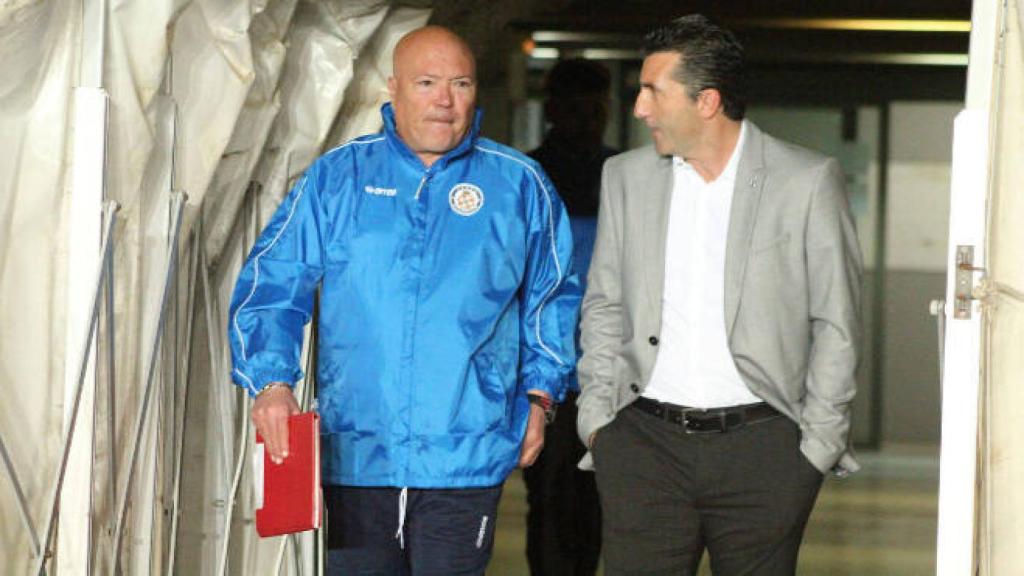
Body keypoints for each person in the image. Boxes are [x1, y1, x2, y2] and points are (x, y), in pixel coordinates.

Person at [228, 26, 580, 575]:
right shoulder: (338, 177)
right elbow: (272, 281)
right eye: (427, 82)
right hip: (354, 454)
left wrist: (540, 397)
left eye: (460, 83)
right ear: (392, 89)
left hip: (465, 453)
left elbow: (551, 298)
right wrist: (271, 382)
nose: (444, 99)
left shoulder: (519, 185)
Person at [576, 14, 862, 575]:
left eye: (653, 92)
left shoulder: (806, 181)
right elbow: (604, 303)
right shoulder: (625, 177)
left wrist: (815, 447)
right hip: (640, 446)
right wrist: (598, 422)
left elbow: (837, 322)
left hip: (766, 452)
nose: (639, 108)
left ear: (706, 101)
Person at [524, 58, 616, 576]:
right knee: (552, 497)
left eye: (596, 107)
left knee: (602, 497)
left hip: (615, 370)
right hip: (550, 371)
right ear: (554, 109)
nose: (587, 118)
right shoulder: (528, 175)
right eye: (576, 107)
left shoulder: (627, 175)